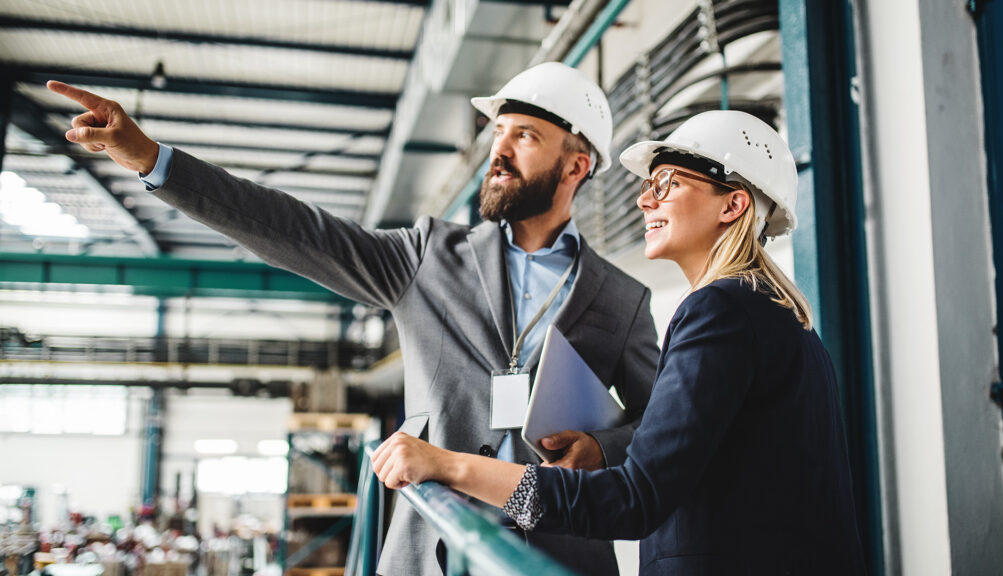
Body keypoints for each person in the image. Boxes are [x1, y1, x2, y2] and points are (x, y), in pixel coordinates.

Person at [47, 61, 660, 576]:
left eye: (524, 135)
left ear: (576, 166)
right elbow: (291, 228)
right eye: (498, 131)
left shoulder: (620, 296)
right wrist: (153, 160)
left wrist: (603, 449)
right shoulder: (427, 256)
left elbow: (660, 425)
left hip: (559, 549)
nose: (498, 149)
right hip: (433, 549)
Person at [371, 110, 868, 575]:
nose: (644, 200)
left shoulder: (720, 313)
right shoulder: (779, 316)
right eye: (649, 185)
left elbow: (632, 502)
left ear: (733, 204)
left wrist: (451, 465)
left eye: (666, 183)